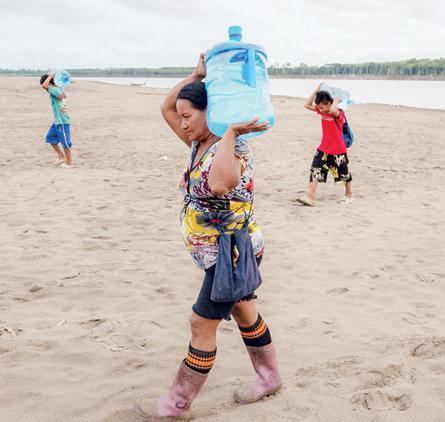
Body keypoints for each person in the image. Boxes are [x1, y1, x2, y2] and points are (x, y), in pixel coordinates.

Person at [137, 53, 282, 419]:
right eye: (183, 119)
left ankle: (175, 405)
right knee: (245, 311)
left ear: (211, 111)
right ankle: (270, 377)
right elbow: (166, 107)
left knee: (201, 322)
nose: (182, 124)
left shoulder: (232, 147)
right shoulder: (197, 142)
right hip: (217, 252)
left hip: (231, 255)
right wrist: (197, 75)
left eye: (190, 117)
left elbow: (220, 183)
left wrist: (231, 131)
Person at [296, 83, 354, 206]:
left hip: (338, 150)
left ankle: (349, 195)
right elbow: (306, 105)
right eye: (319, 108)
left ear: (329, 103)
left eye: (323, 107)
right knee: (315, 170)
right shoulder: (323, 111)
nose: (320, 110)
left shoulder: (338, 113)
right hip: (323, 149)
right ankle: (310, 198)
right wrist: (317, 90)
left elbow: (333, 109)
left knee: (343, 174)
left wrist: (337, 97)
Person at [40, 73, 73, 168]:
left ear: (49, 82)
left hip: (62, 121)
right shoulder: (56, 89)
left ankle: (69, 163)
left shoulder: (54, 89)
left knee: (65, 143)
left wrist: (50, 76)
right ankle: (61, 156)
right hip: (57, 121)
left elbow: (44, 86)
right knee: (50, 138)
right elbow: (64, 97)